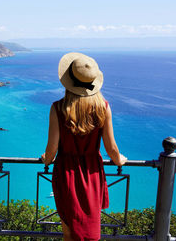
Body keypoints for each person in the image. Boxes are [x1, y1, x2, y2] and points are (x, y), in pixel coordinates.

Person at [41, 52, 127, 241]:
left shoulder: (57, 108)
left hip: (66, 173)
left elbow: (52, 149)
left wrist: (46, 159)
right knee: (90, 228)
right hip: (92, 173)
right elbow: (111, 148)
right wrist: (119, 160)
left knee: (69, 232)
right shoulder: (103, 107)